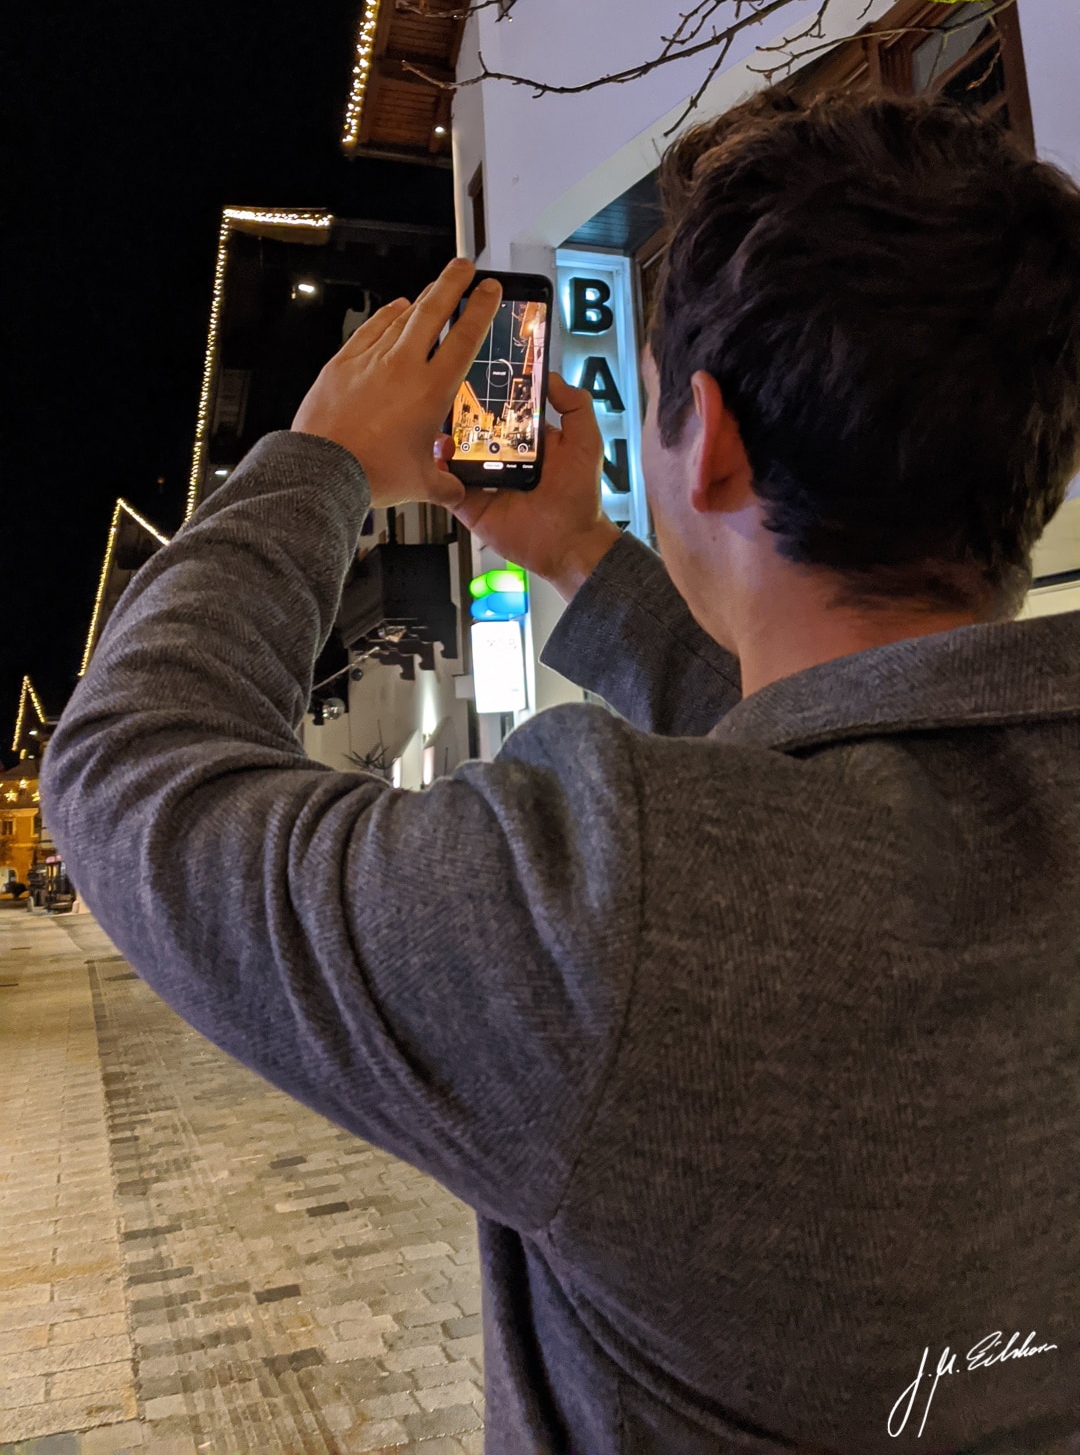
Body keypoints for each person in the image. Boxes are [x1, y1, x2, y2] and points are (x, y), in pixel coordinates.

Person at [42, 92, 1080, 1455]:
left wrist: (318, 465)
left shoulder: (616, 907)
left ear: (710, 441)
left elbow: (129, 777)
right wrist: (580, 554)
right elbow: (865, 768)